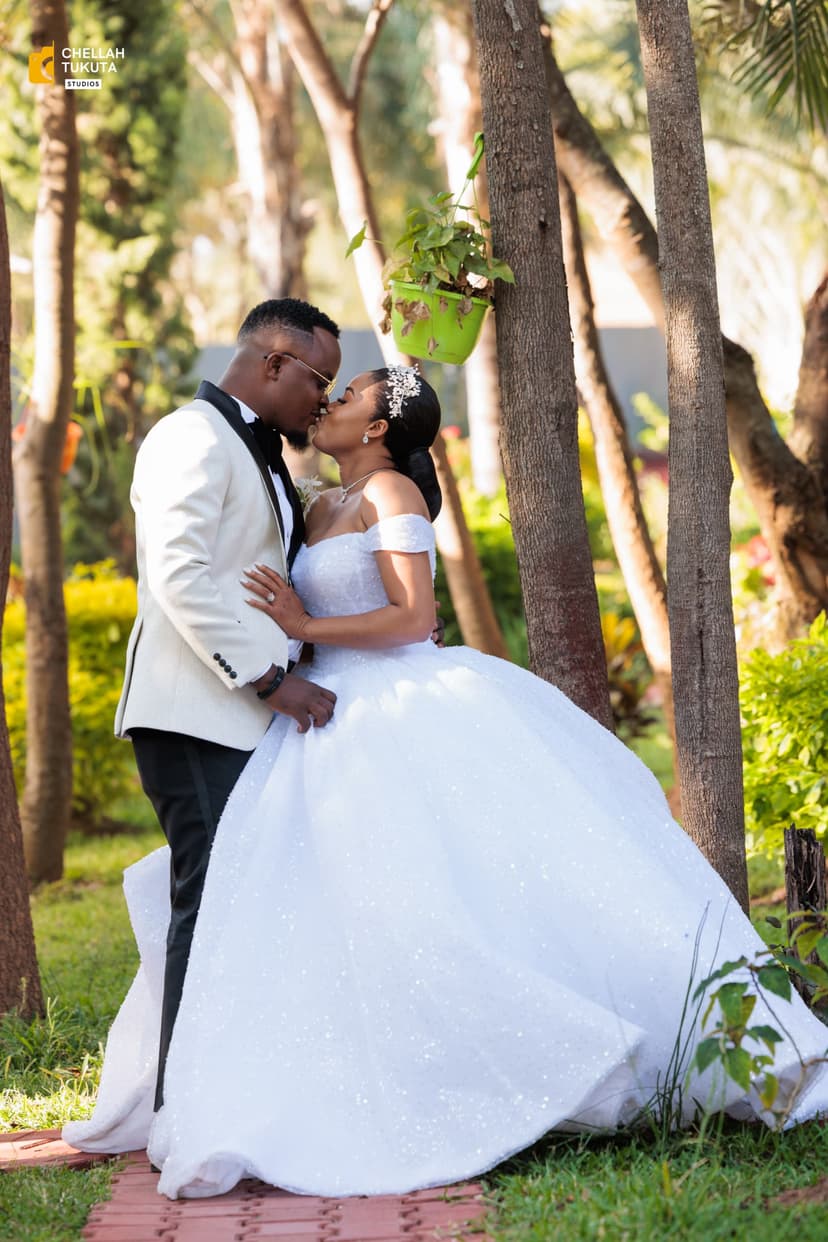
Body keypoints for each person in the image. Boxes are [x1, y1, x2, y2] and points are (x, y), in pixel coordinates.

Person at [65, 365, 828, 1198]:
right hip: (320, 718)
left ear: (378, 428)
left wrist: (303, 623)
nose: (329, 402)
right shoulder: (316, 501)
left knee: (444, 888)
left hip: (397, 706)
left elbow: (414, 617)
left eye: (347, 394)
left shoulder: (395, 493)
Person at [112, 298, 340, 1114]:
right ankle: (187, 1109)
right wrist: (272, 681)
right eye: (319, 380)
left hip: (238, 716)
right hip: (193, 715)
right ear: (273, 362)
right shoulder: (190, 435)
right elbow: (180, 577)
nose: (323, 400)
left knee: (241, 903)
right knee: (209, 905)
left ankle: (226, 1097)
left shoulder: (264, 453)